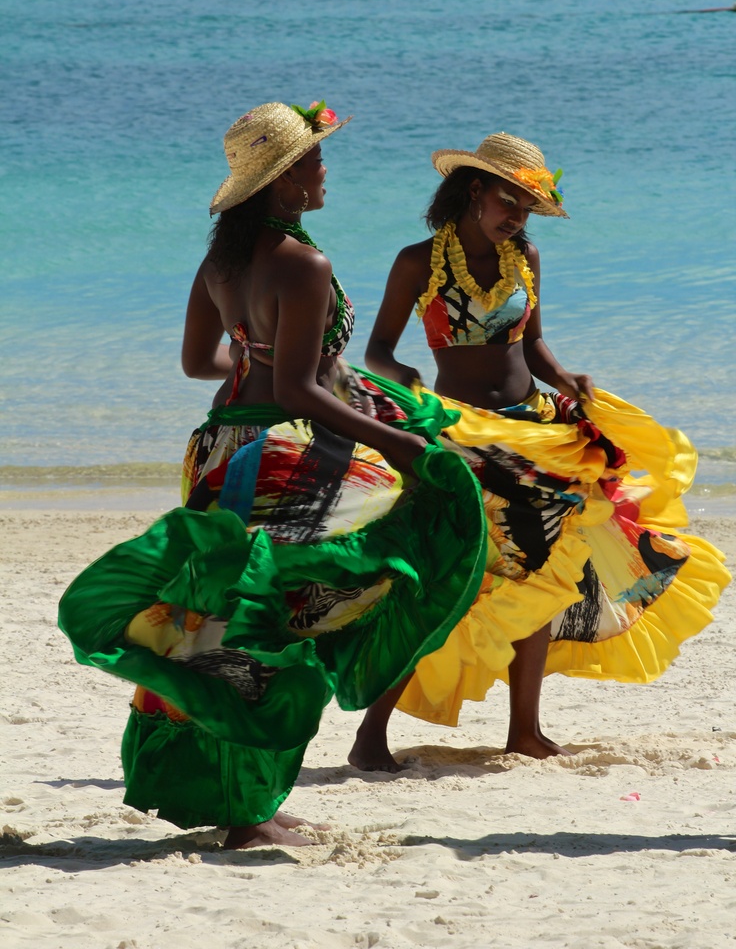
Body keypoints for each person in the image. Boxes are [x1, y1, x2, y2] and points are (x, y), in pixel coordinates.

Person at [58, 101, 489, 849]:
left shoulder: (223, 259)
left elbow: (201, 363)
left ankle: (244, 802)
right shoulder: (303, 262)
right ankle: (247, 812)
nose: (326, 170)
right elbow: (298, 392)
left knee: (217, 629)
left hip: (221, 450)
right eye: (317, 159)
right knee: (283, 627)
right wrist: (400, 444)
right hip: (284, 455)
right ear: (286, 178)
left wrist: (255, 360)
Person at [348, 130, 731, 771]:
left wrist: (566, 380)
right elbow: (377, 351)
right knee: (441, 581)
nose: (518, 217)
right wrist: (403, 379)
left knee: (543, 579)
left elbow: (533, 347)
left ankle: (524, 730)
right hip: (463, 441)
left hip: (537, 435)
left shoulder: (525, 255)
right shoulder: (418, 261)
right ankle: (370, 735)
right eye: (508, 201)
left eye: (527, 206)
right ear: (475, 191)